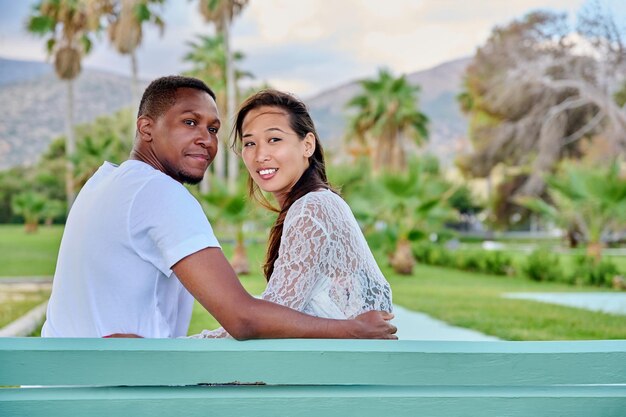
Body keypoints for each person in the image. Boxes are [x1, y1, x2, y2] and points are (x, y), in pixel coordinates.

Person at [41, 75, 396, 340]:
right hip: (111, 388)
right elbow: (244, 319)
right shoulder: (159, 191)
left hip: (71, 379)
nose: (206, 140)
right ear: (146, 128)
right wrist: (348, 329)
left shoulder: (103, 182)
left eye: (213, 129)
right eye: (190, 122)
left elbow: (250, 319)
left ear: (308, 145)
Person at [192, 89, 393, 338]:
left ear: (307, 145)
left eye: (274, 139)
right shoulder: (320, 202)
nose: (260, 155)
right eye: (250, 143)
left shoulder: (311, 209)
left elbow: (262, 322)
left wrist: (176, 347)